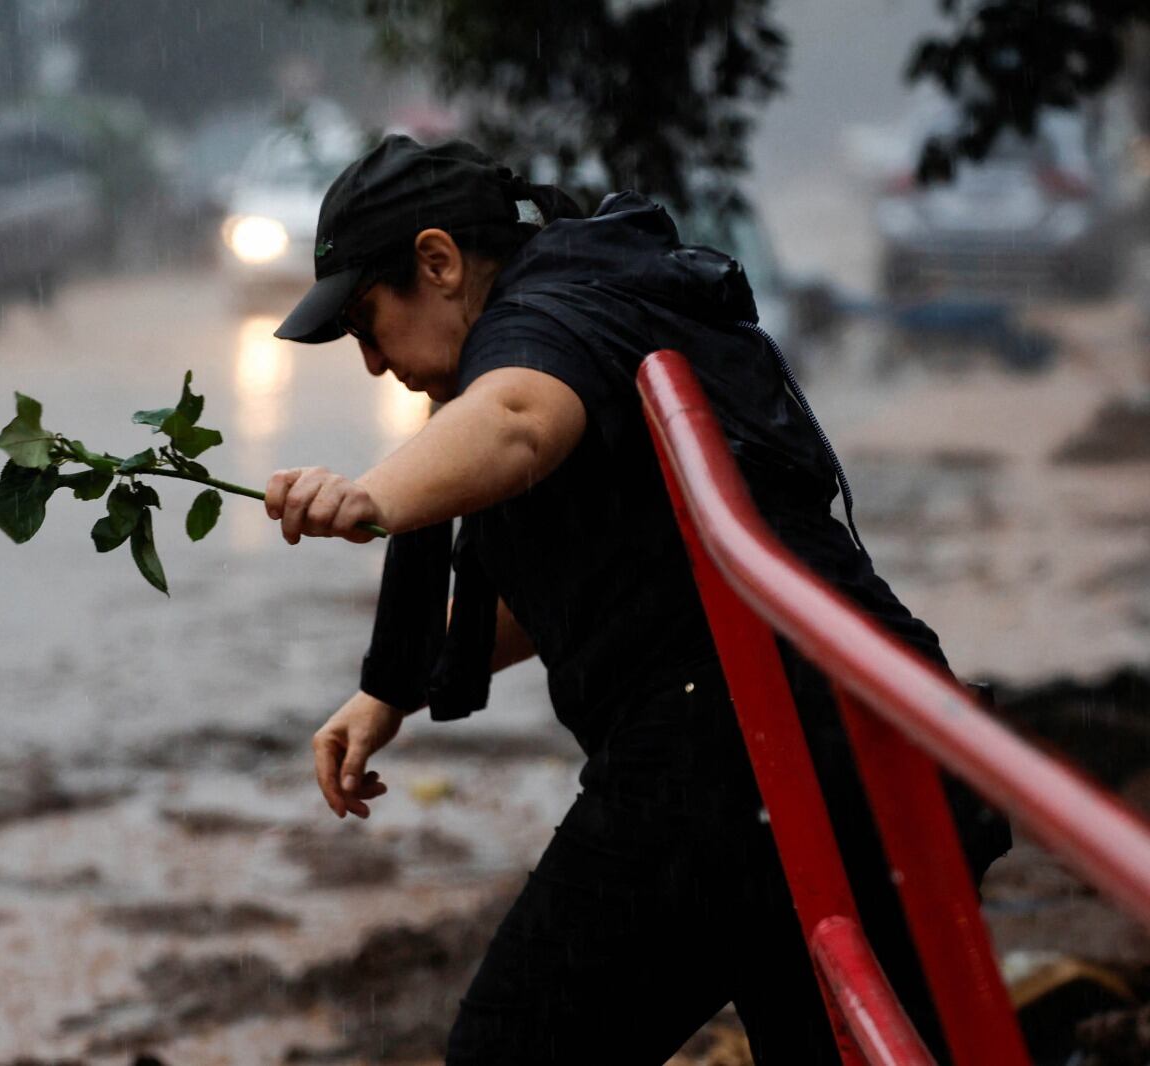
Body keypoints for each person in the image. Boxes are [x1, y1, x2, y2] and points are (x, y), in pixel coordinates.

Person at [263, 134, 1010, 1064]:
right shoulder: (588, 294)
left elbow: (518, 422)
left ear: (439, 261)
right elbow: (584, 585)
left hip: (737, 750)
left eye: (369, 322)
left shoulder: (541, 324)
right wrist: (392, 689)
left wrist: (371, 496)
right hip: (838, 731)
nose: (372, 362)